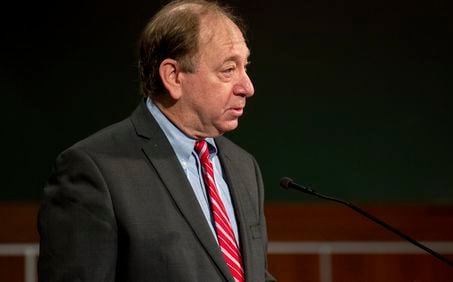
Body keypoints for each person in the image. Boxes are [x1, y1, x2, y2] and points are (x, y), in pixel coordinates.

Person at [37, 0, 276, 281]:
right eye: (228, 70)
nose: (247, 87)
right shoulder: (94, 170)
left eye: (245, 67)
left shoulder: (243, 166)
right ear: (173, 76)